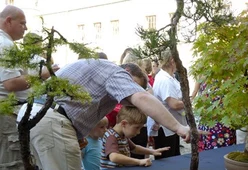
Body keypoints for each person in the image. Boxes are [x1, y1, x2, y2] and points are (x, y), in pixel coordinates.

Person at [18, 58, 191, 170]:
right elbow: (142, 98)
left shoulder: (97, 68)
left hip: (32, 115)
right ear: (127, 74)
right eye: (131, 87)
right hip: (50, 120)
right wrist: (179, 127)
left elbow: (75, 105)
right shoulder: (116, 73)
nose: (127, 100)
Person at [0, 5, 28, 169]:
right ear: (9, 21)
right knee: (11, 164)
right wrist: (41, 76)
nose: (25, 28)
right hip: (8, 115)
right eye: (22, 23)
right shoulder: (5, 44)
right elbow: (11, 83)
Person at [100, 106, 170, 169]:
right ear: (124, 123)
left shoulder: (122, 136)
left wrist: (152, 151)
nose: (138, 132)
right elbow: (114, 157)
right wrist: (138, 161)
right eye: (137, 128)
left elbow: (135, 148)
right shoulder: (111, 136)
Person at [150, 49, 187, 159]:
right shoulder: (165, 79)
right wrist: (188, 102)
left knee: (175, 157)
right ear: (172, 61)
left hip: (172, 126)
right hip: (166, 128)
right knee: (168, 159)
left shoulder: (170, 77)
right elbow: (174, 104)